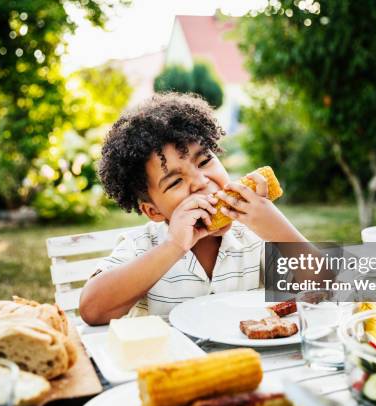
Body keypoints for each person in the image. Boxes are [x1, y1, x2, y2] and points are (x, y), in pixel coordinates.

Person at [79, 93, 313, 325]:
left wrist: (278, 232)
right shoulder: (142, 246)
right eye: (175, 182)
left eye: (204, 162)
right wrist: (173, 247)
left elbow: (333, 286)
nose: (200, 181)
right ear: (154, 211)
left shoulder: (252, 237)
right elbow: (92, 310)